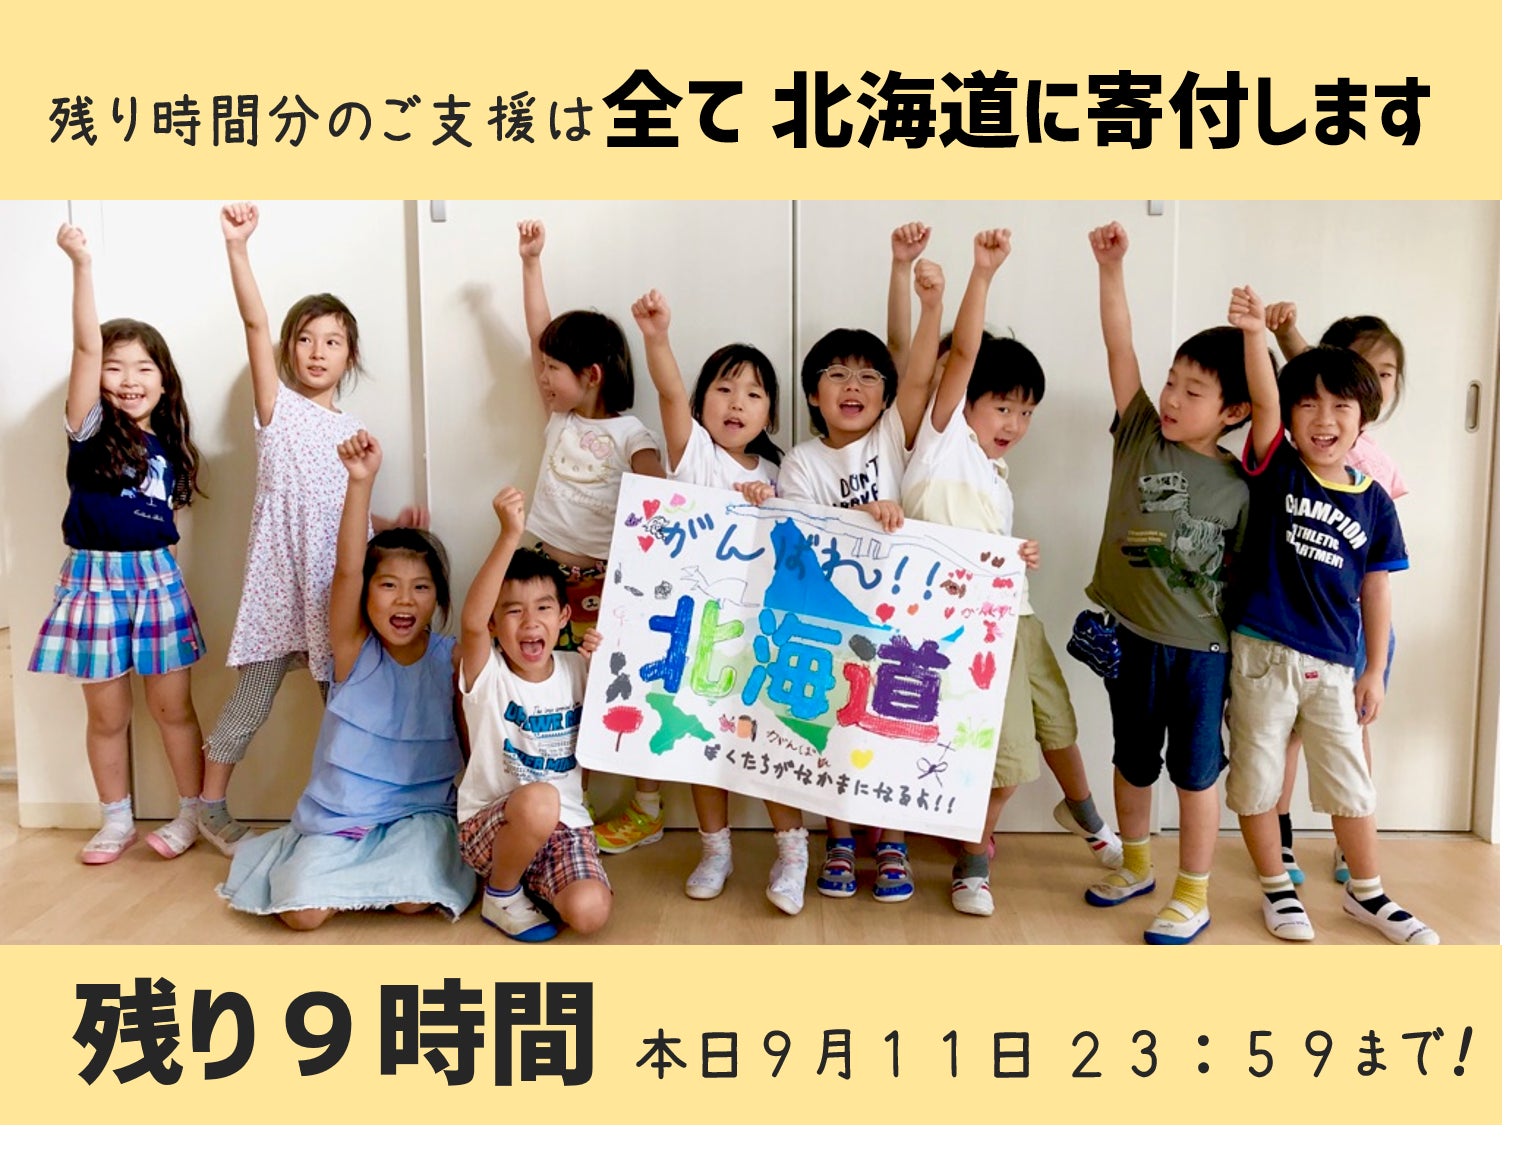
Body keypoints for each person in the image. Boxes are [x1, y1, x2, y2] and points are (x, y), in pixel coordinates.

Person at [898, 228, 1119, 916]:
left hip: (1014, 615)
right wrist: (982, 273)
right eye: (1003, 406)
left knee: (1057, 721)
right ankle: (972, 863)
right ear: (963, 398)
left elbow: (978, 533)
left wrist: (1015, 552)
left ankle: (1084, 816)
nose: (1015, 423)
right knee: (1009, 754)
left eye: (1026, 412)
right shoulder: (939, 443)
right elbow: (963, 353)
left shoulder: (995, 472)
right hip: (963, 629)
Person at [201, 202, 424, 855]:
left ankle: (357, 806)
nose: (317, 351)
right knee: (251, 700)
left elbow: (337, 508)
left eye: (332, 341)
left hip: (333, 588)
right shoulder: (277, 410)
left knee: (346, 703)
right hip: (279, 583)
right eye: (305, 339)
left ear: (350, 355)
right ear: (287, 350)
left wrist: (389, 521)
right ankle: (209, 807)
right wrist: (238, 249)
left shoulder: (352, 432)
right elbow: (253, 321)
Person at [1225, 286, 1436, 945]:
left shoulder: (1374, 501)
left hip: (1336, 664)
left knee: (1351, 782)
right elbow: (1264, 399)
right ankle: (1276, 887)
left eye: (1341, 405)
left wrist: (1373, 669)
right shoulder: (1278, 468)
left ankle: (1367, 893)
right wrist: (1255, 334)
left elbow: (1377, 589)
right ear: (1289, 416)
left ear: (1363, 417)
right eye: (1308, 403)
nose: (1324, 417)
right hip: (1262, 653)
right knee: (1258, 779)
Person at [218, 432, 476, 929]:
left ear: (439, 597)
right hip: (341, 817)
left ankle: (375, 880)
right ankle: (348, 879)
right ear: (367, 595)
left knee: (413, 899)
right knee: (301, 916)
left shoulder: (450, 658)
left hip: (419, 813)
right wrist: (360, 482)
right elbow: (346, 571)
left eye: (421, 588)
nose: (405, 600)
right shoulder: (353, 650)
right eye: (389, 586)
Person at [1083, 222, 1253, 944]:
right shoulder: (1140, 435)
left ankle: (1193, 892)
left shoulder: (1242, 487)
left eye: (1194, 390)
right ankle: (1136, 865)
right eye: (1172, 383)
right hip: (1131, 639)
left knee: (1194, 773)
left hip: (1201, 654)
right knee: (1131, 759)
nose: (1174, 398)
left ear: (1234, 411)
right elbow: (1120, 347)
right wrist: (1112, 269)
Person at [30, 222, 208, 864]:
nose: (129, 378)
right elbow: (84, 346)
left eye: (143, 367)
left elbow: (166, 524)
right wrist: (81, 265)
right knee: (107, 716)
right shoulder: (89, 433)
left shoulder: (171, 448)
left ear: (164, 381)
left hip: (157, 580)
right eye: (114, 367)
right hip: (93, 581)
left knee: (172, 709)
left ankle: (192, 815)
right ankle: (115, 821)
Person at [627, 288, 808, 913]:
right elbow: (669, 394)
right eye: (724, 389)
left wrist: (773, 505)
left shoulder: (784, 472)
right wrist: (657, 338)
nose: (736, 403)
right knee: (705, 741)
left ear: (771, 414)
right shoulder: (695, 457)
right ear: (703, 402)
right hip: (698, 629)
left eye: (753, 394)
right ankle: (715, 849)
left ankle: (793, 854)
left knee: (770, 740)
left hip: (764, 633)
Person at [516, 220, 666, 854]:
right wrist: (531, 265)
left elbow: (660, 502)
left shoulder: (632, 433)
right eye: (545, 367)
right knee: (549, 692)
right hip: (541, 579)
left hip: (604, 587)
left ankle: (647, 807)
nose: (543, 377)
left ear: (593, 374)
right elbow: (538, 335)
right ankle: (555, 802)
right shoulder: (560, 418)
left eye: (555, 369)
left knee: (618, 689)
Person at [1263, 304, 1409, 885]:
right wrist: (1283, 335)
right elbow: (1311, 378)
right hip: (1294, 623)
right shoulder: (1302, 442)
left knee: (1351, 731)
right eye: (1359, 366)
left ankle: (1351, 848)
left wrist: (1372, 665)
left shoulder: (1375, 465)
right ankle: (1280, 838)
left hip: (1354, 627)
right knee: (1285, 735)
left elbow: (1377, 571)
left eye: (1386, 372)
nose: (1373, 378)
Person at [455, 488, 613, 941]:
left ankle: (534, 883)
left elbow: (618, 724)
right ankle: (501, 894)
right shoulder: (488, 674)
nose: (529, 622)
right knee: (540, 799)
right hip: (492, 825)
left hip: (564, 828)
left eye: (543, 608)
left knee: (589, 913)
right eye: (513, 611)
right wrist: (510, 534)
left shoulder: (577, 669)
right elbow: (470, 623)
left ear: (564, 616)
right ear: (494, 624)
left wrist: (606, 665)